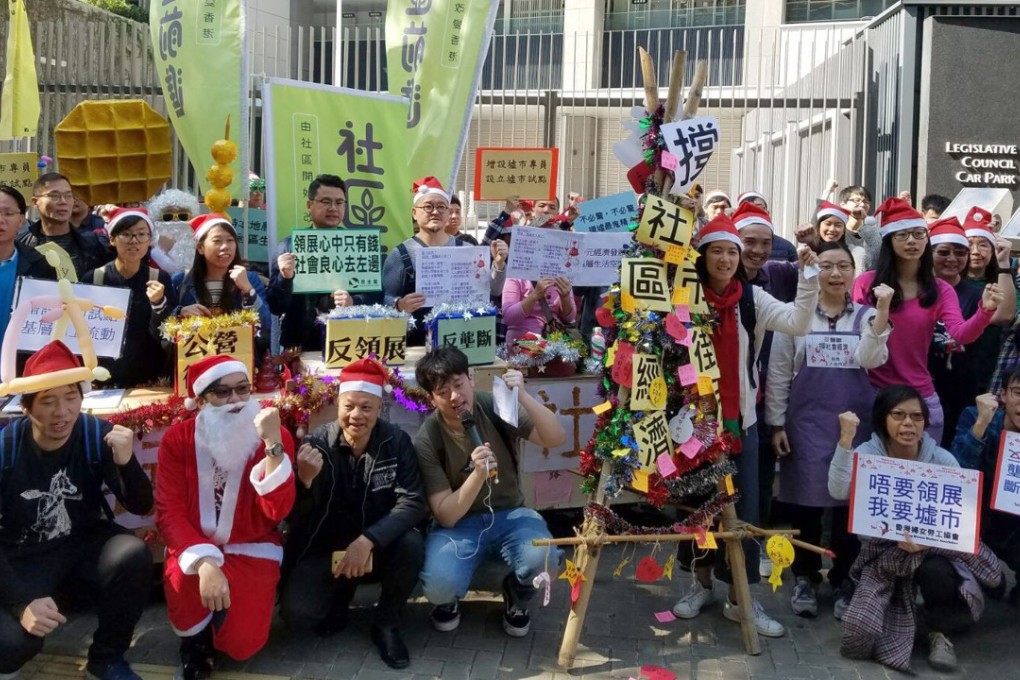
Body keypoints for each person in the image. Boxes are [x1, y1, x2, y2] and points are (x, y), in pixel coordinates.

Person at [670, 213, 819, 638]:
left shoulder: (751, 299)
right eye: (717, 250)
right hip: (692, 425)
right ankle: (699, 586)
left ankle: (741, 597)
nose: (726, 258)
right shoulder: (684, 298)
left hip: (742, 424)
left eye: (732, 251)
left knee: (747, 512)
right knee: (696, 508)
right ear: (702, 255)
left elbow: (798, 322)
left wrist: (808, 277)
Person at [0, 341, 153, 680]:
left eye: (71, 397)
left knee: (131, 554)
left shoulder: (93, 434)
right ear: (25, 407)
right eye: (48, 401)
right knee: (12, 645)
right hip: (20, 556)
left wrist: (127, 463)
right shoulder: (6, 450)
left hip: (79, 543)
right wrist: (21, 604)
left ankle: (107, 659)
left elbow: (142, 506)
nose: (62, 412)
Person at [829, 386, 1003, 673]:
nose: (908, 423)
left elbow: (959, 513)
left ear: (925, 422)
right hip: (883, 552)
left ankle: (938, 631)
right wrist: (845, 440)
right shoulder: (869, 455)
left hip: (933, 551)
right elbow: (837, 490)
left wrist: (928, 540)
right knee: (859, 633)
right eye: (898, 415)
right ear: (883, 419)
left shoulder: (941, 460)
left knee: (935, 571)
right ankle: (902, 616)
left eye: (916, 417)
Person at [765, 241, 892, 619]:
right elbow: (778, 373)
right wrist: (776, 423)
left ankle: (843, 580)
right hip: (805, 424)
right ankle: (804, 576)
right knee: (804, 503)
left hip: (855, 424)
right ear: (812, 272)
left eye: (843, 266)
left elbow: (872, 358)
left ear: (854, 272)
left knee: (847, 508)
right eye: (826, 266)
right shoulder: (796, 316)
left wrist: (883, 312)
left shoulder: (868, 316)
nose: (835, 274)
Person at [281, 358, 426, 669]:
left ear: (379, 408)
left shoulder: (396, 441)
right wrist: (303, 482)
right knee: (299, 615)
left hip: (378, 547)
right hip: (327, 550)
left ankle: (386, 624)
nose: (356, 415)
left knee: (411, 545)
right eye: (349, 406)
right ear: (338, 405)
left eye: (366, 407)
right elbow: (294, 517)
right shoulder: (317, 443)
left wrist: (369, 539)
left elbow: (413, 501)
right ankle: (340, 595)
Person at [156, 354, 296, 679]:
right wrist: (205, 563)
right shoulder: (178, 440)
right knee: (181, 577)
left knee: (244, 645)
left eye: (242, 390)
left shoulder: (272, 434)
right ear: (202, 399)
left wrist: (273, 442)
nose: (235, 400)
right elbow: (169, 511)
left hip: (252, 547)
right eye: (222, 392)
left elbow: (279, 509)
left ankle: (234, 614)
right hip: (196, 546)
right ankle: (194, 648)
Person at [413, 347, 565, 637]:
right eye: (443, 392)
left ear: (471, 379)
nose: (455, 397)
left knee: (544, 559)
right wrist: (477, 475)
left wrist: (522, 396)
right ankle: (448, 601)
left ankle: (517, 595)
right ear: (431, 398)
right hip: (460, 524)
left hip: (512, 513)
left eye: (458, 385)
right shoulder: (428, 438)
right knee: (438, 585)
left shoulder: (494, 405)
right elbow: (445, 515)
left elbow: (555, 437)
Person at [852, 198, 1003, 443]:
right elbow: (856, 340)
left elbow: (961, 334)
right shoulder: (866, 283)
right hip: (871, 394)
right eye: (902, 235)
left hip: (920, 397)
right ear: (889, 240)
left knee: (919, 472)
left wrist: (984, 311)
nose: (912, 241)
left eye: (918, 234)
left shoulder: (940, 289)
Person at [383, 177, 508, 346]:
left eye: (441, 207)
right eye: (428, 206)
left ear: (449, 212)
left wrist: (499, 264)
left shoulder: (466, 249)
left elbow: (493, 290)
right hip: (417, 345)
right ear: (414, 213)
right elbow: (385, 299)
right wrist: (400, 304)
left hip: (463, 340)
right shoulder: (401, 254)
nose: (435, 212)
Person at [268, 175, 382, 354]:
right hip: (300, 346)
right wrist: (285, 278)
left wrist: (354, 301)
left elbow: (377, 297)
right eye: (326, 201)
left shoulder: (359, 245)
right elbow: (276, 306)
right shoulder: (289, 247)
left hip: (349, 343)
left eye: (339, 202)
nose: (333, 208)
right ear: (309, 205)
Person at [929, 212, 1015, 447]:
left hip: (964, 391)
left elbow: (1005, 315)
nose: (952, 259)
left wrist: (1004, 263)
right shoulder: (917, 291)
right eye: (944, 252)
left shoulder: (978, 294)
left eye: (960, 252)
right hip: (922, 390)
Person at [83, 209, 175, 387]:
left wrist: (159, 304)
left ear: (149, 241)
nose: (134, 241)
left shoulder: (159, 278)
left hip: (150, 377)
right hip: (104, 378)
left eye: (141, 234)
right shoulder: (94, 278)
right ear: (112, 239)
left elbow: (166, 332)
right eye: (126, 234)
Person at [951, 371, 1020, 594]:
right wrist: (981, 424)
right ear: (1003, 395)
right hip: (975, 520)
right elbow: (957, 474)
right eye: (1018, 392)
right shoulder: (975, 416)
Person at [173, 214, 271, 351]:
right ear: (200, 247)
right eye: (217, 241)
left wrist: (248, 290)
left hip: (238, 362)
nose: (225, 246)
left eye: (230, 240)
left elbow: (266, 324)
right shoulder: (181, 281)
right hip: (196, 360)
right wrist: (180, 312)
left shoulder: (250, 279)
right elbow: (164, 325)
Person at [17, 173, 110, 279]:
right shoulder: (21, 245)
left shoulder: (94, 246)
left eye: (69, 196)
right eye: (54, 196)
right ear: (35, 202)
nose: (63, 201)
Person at [0, 185, 57, 342]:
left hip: (18, 362)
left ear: (21, 220)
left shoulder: (39, 265)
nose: (0, 220)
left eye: (8, 213)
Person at [501, 276, 576, 346]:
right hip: (522, 345)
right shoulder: (517, 276)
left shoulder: (560, 276)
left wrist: (565, 297)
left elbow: (569, 318)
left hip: (554, 343)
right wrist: (535, 295)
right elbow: (508, 317)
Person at [147, 189, 201, 275]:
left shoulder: (201, 247)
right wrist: (159, 252)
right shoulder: (145, 250)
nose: (175, 220)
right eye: (168, 216)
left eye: (183, 216)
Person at [735, 191, 796, 261]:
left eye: (766, 243)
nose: (758, 251)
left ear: (768, 213)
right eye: (749, 242)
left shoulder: (787, 247)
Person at [839, 185, 882, 271]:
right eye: (857, 200)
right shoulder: (837, 232)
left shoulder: (872, 232)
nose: (862, 204)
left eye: (866, 202)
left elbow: (875, 260)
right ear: (843, 205)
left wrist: (866, 220)